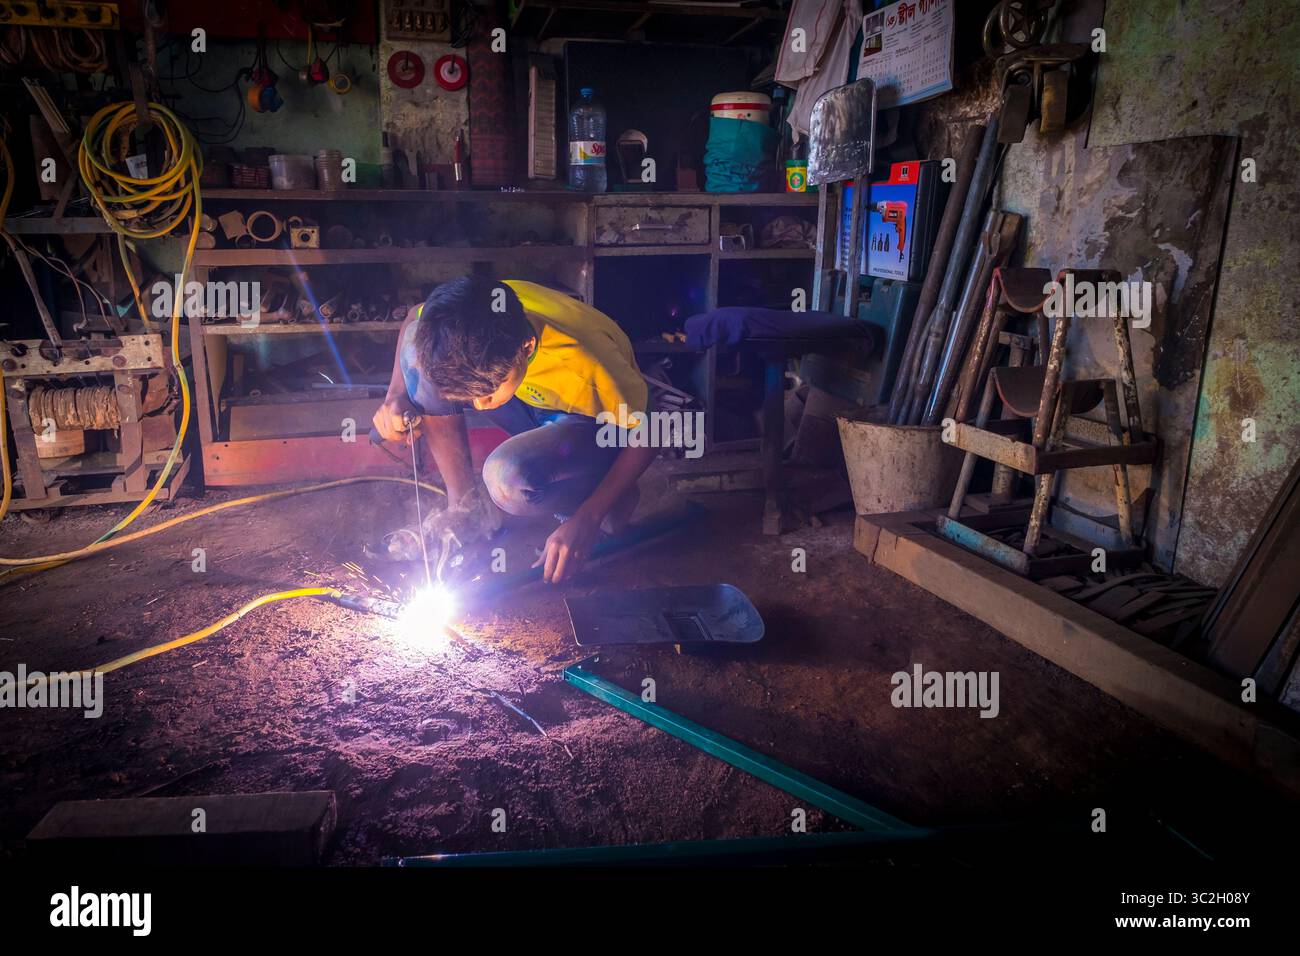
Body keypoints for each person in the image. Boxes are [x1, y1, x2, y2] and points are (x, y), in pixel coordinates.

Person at [372, 275, 656, 584]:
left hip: (585, 418)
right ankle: (465, 510)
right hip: (525, 394)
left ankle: (607, 495)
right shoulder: (468, 313)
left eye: (488, 392)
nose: (479, 406)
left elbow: (653, 431)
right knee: (420, 356)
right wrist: (395, 396)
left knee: (507, 478)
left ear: (526, 347)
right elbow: (415, 318)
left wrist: (588, 517)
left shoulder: (591, 366)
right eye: (471, 396)